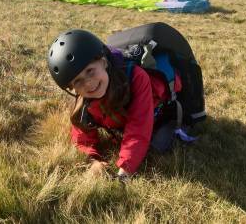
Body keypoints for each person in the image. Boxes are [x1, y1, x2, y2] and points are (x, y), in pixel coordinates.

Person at [47, 29, 182, 180]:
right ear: (73, 89)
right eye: (77, 81)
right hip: (125, 116)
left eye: (90, 71)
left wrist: (124, 172)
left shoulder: (137, 78)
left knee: (158, 146)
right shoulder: (84, 100)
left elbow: (138, 127)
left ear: (103, 62)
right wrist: (93, 160)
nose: (88, 83)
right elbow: (82, 137)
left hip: (157, 109)